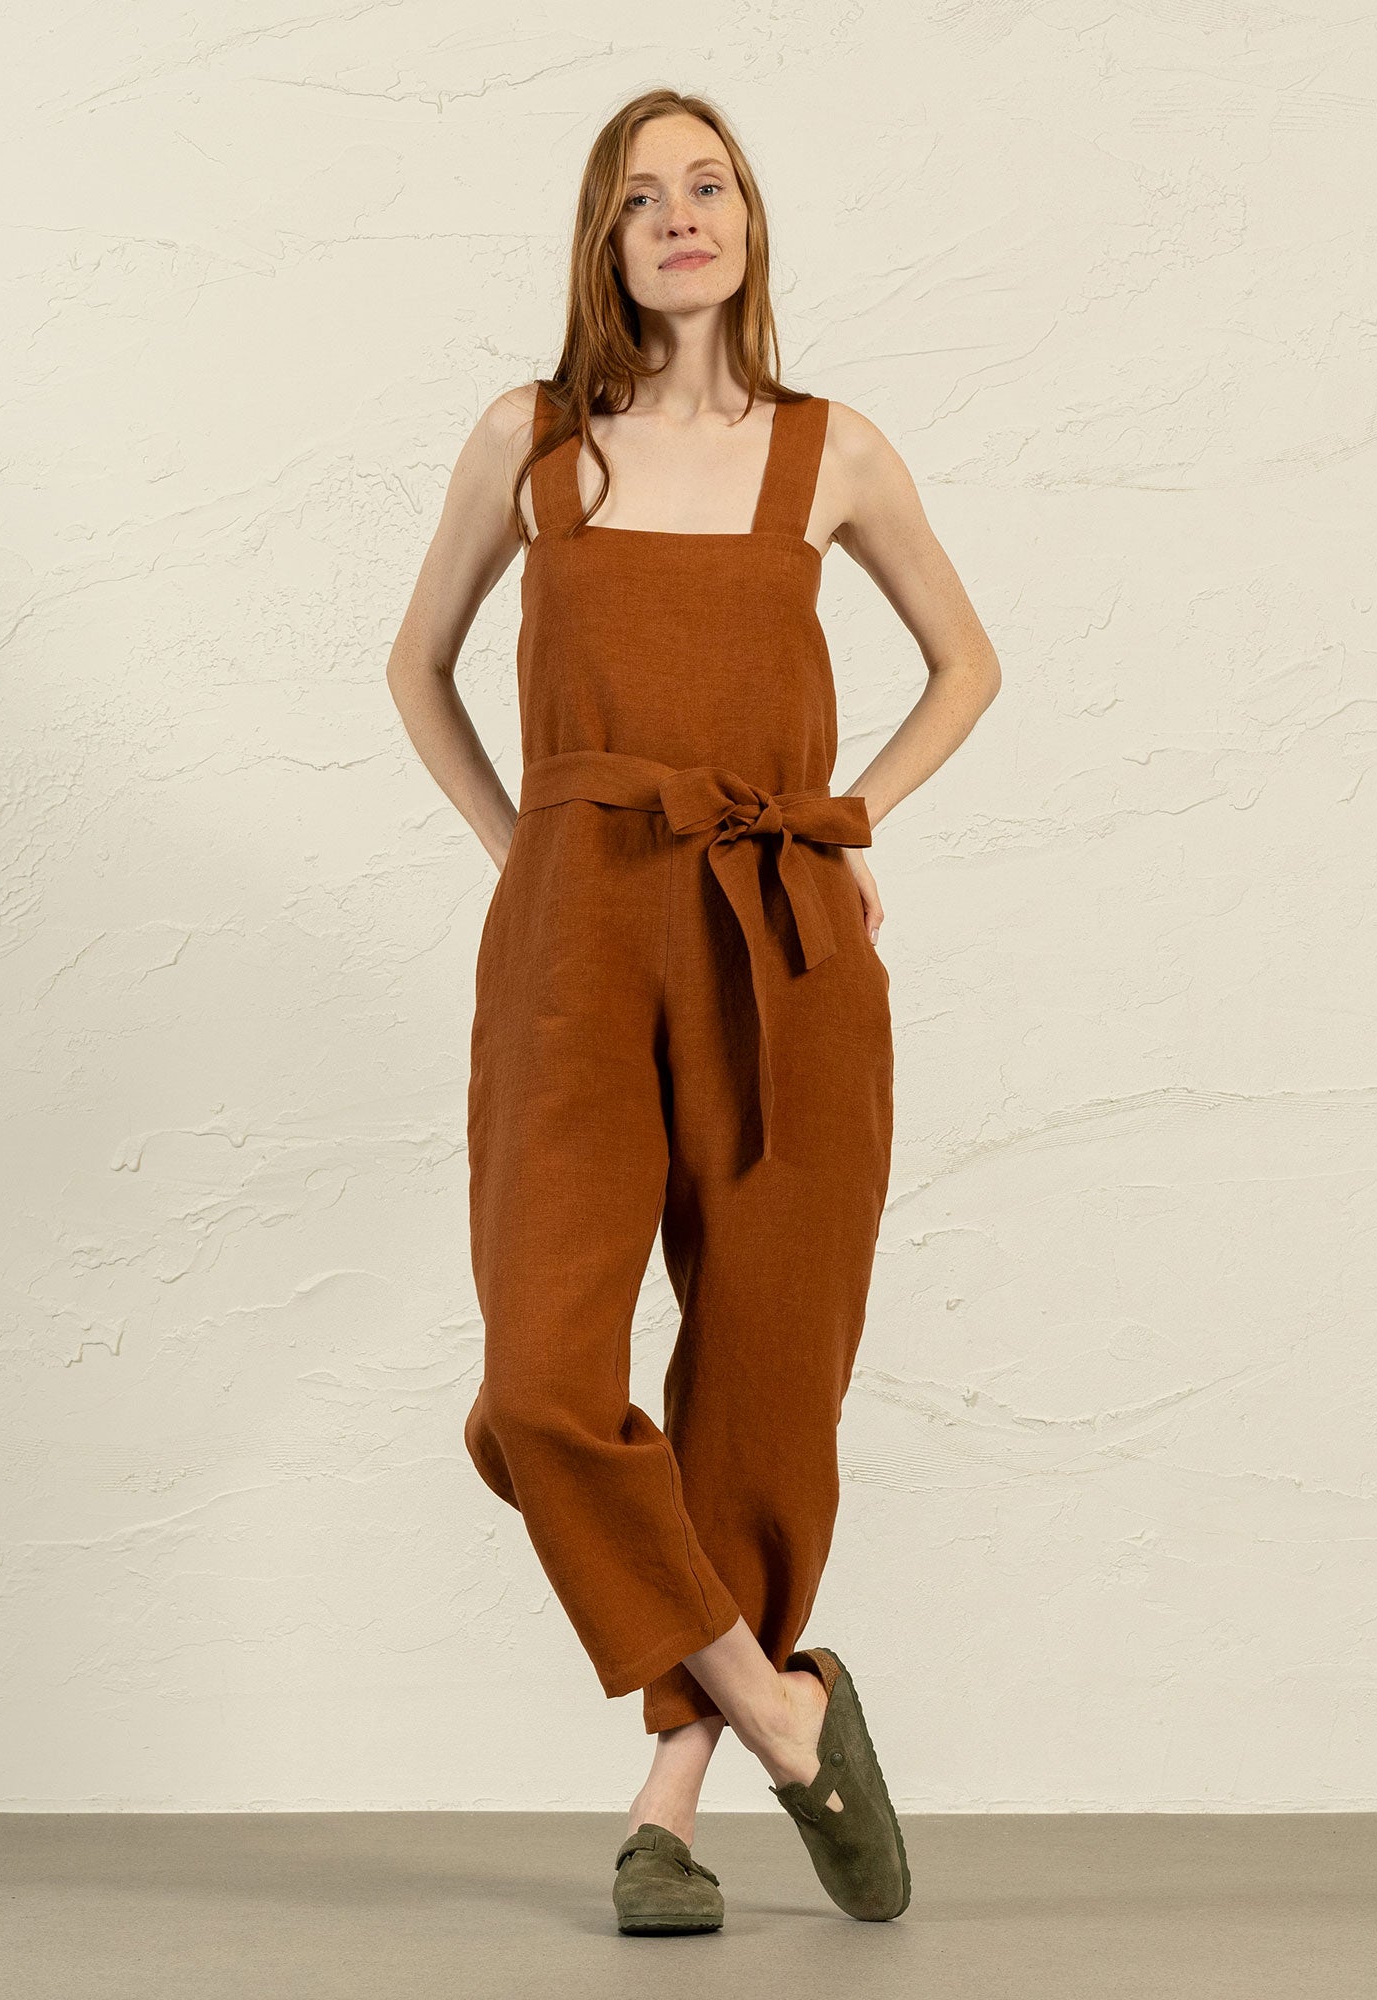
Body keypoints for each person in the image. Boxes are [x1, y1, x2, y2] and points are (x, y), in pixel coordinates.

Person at [386, 86, 1001, 1934]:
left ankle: (669, 1804)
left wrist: (850, 820)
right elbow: (416, 667)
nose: (679, 216)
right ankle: (780, 1706)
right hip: (575, 939)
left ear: (747, 221)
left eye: (707, 185)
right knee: (539, 1386)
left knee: (763, 1380)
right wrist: (528, 851)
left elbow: (969, 664)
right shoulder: (534, 443)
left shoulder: (835, 451)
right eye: (641, 195)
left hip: (782, 935)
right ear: (603, 238)